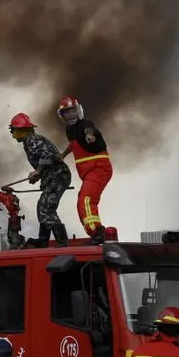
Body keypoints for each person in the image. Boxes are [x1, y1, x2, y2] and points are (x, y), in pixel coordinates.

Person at [56, 95, 112, 245]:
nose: (71, 115)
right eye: (67, 112)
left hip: (98, 169)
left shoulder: (85, 124)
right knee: (82, 201)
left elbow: (89, 129)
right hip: (88, 172)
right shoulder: (70, 130)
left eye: (73, 111)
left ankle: (97, 233)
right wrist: (63, 155)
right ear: (62, 115)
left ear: (79, 110)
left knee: (86, 201)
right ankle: (96, 231)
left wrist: (90, 135)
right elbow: (74, 144)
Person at [8, 113, 70, 246]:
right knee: (42, 206)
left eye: (14, 130)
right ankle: (43, 240)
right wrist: (39, 176)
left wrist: (38, 171)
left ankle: (62, 241)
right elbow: (49, 160)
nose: (13, 134)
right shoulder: (30, 141)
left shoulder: (33, 140)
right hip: (52, 177)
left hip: (58, 177)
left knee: (47, 208)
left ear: (22, 130)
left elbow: (47, 155)